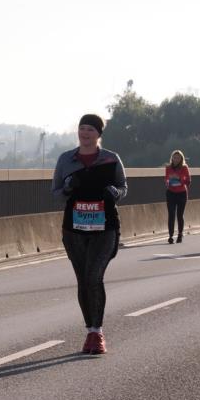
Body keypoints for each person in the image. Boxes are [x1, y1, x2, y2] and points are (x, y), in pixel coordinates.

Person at [52, 113, 128, 355]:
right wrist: (67, 187)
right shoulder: (66, 159)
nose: (85, 133)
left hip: (105, 227)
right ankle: (89, 331)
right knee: (83, 279)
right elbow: (55, 192)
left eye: (90, 130)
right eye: (82, 128)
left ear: (99, 134)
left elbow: (124, 187)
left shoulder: (110, 159)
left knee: (94, 276)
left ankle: (97, 333)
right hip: (74, 228)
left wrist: (114, 192)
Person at [164, 150, 191, 244]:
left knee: (179, 214)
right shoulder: (168, 168)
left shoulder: (184, 168)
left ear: (181, 159)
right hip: (171, 193)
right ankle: (170, 236)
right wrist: (168, 182)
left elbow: (188, 181)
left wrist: (180, 180)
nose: (176, 159)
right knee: (171, 214)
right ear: (172, 158)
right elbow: (166, 179)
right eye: (174, 157)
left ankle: (180, 234)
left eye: (178, 158)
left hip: (182, 193)